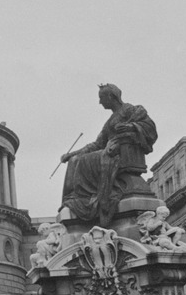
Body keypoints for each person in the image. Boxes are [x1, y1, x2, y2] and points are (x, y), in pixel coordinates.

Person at [59, 84, 158, 227]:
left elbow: (149, 128)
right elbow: (97, 143)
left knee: (86, 161)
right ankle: (76, 197)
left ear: (111, 97)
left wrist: (131, 127)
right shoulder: (110, 121)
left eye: (101, 98)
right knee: (75, 160)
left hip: (121, 153)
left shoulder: (130, 110)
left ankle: (89, 197)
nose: (100, 102)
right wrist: (71, 154)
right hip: (109, 151)